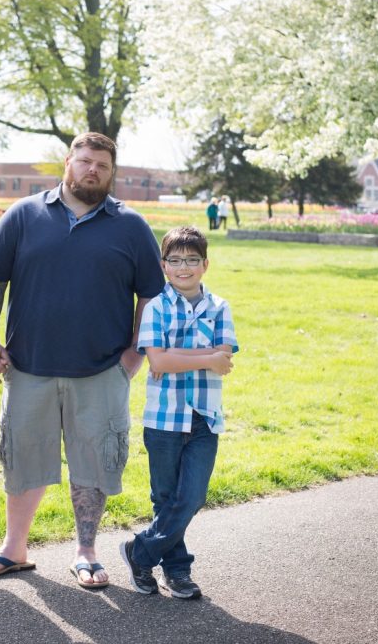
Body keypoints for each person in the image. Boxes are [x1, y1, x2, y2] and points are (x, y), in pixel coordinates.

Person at [0, 132, 165, 589]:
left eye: (102, 165)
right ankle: (14, 549)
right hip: (29, 365)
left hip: (101, 370)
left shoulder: (131, 226)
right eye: (85, 161)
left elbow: (151, 296)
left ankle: (87, 552)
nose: (92, 170)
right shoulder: (24, 216)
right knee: (22, 455)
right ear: (67, 163)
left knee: (94, 461)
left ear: (112, 173)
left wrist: (132, 356)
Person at [118, 225, 238, 600]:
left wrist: (176, 359)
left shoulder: (220, 307)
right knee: (166, 499)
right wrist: (205, 358)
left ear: (205, 264)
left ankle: (141, 551)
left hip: (204, 418)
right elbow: (158, 359)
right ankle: (178, 570)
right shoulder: (155, 307)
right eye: (174, 260)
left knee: (192, 498)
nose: (183, 267)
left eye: (191, 260)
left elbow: (224, 358)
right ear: (163, 265)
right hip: (165, 420)